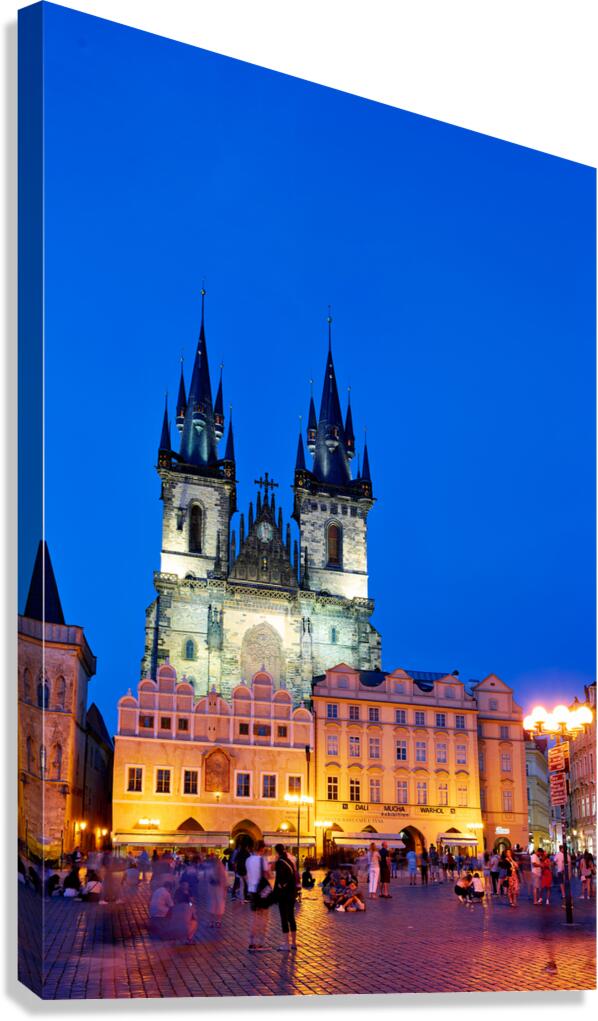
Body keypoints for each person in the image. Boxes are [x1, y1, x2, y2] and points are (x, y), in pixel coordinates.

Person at [246, 841, 272, 951]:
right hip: (261, 891)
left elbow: (248, 875)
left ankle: (252, 942)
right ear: (262, 849)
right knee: (263, 917)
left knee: (254, 917)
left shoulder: (248, 860)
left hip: (252, 890)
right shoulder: (262, 860)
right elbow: (269, 876)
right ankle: (261, 943)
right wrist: (270, 868)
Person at [273, 843, 298, 951]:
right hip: (292, 893)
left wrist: (277, 891)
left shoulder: (280, 862)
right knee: (291, 917)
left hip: (283, 894)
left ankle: (286, 944)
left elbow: (279, 879)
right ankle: (294, 943)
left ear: (276, 852)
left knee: (284, 918)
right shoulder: (289, 861)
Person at [204, 854, 227, 928]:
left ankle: (211, 921)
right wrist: (225, 891)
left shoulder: (209, 868)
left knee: (211, 905)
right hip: (219, 889)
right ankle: (218, 921)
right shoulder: (221, 868)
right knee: (219, 905)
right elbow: (224, 880)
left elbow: (206, 879)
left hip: (212, 889)